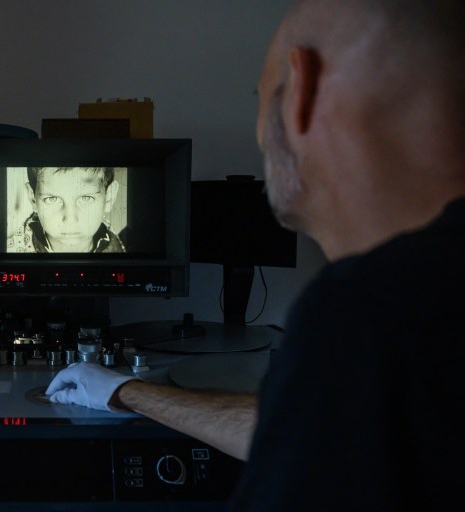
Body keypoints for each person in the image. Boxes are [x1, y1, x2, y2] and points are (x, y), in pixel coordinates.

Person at [46, 0, 465, 509]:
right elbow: (314, 428)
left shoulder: (369, 312)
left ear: (300, 93)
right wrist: (124, 392)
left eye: (261, 100)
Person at [7, 166, 125, 253]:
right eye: (52, 199)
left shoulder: (123, 250)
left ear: (109, 197)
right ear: (33, 198)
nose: (70, 219)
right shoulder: (8, 254)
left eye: (86, 198)